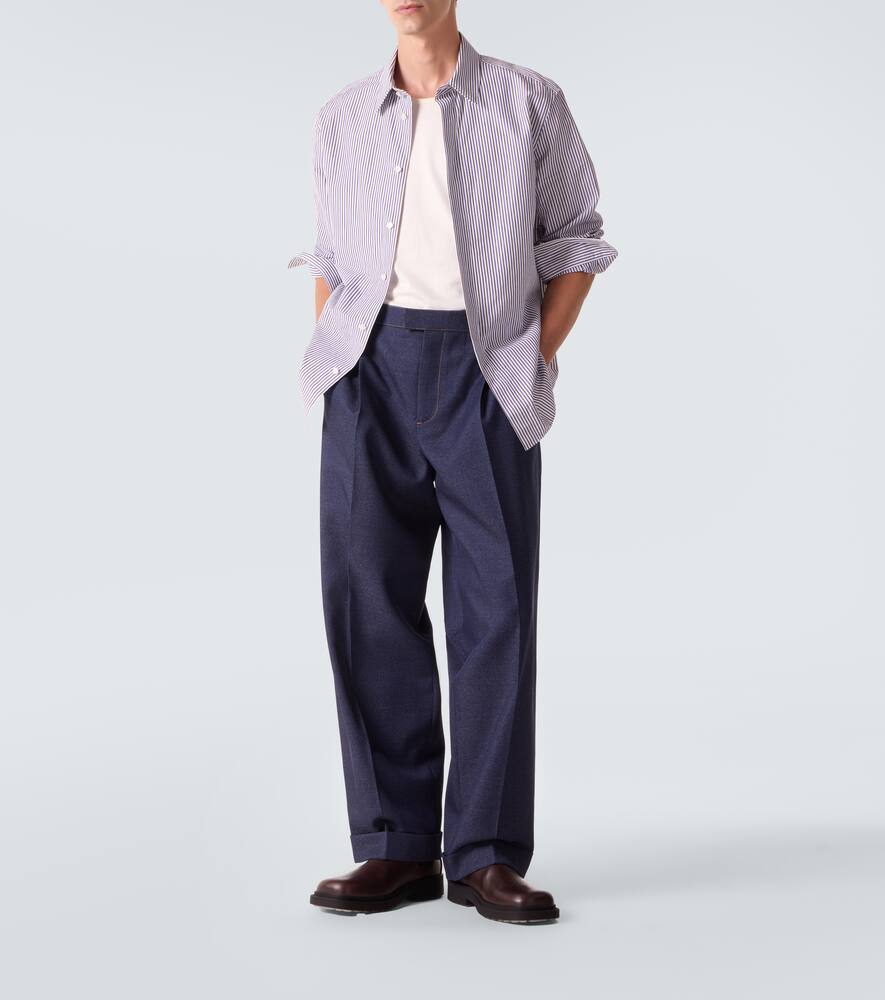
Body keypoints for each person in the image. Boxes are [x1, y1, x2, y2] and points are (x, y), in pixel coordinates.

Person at [289, 0, 618, 924]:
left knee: (495, 611)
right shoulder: (341, 117)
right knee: (366, 602)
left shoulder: (527, 101)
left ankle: (484, 853)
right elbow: (330, 257)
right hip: (368, 372)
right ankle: (395, 845)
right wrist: (338, 354)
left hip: (484, 369)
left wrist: (528, 358)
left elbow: (578, 237)